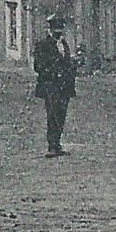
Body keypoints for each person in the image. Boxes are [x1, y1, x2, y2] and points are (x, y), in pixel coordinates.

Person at [33, 15, 77, 158]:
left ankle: (57, 144)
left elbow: (67, 63)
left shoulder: (64, 44)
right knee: (52, 115)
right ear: (50, 30)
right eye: (56, 31)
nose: (59, 33)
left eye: (60, 30)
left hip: (64, 86)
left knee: (61, 115)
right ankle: (52, 145)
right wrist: (55, 71)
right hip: (50, 86)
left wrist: (72, 67)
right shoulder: (42, 45)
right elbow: (38, 66)